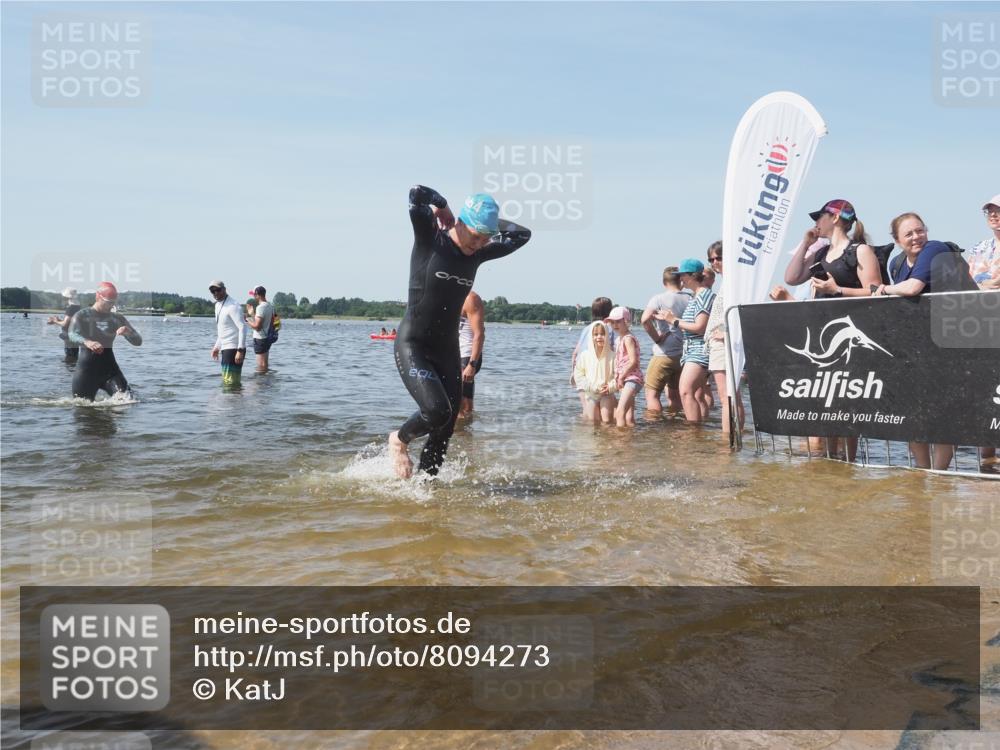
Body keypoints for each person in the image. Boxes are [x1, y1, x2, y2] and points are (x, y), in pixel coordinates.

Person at [389, 187, 531, 479]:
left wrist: (490, 223)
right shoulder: (431, 240)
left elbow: (522, 234)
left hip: (446, 350)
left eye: (485, 238)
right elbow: (416, 195)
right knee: (437, 411)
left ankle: (427, 490)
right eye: (476, 234)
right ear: (460, 222)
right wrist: (441, 205)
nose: (479, 244)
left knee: (447, 426)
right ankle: (399, 440)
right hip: (413, 343)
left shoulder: (477, 254)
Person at [873, 213, 955, 470]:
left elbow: (912, 288)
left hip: (949, 345)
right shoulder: (896, 263)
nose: (916, 237)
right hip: (915, 348)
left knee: (942, 413)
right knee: (913, 412)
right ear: (897, 240)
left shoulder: (934, 248)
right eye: (908, 234)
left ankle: (939, 474)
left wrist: (883, 289)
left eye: (920, 230)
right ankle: (922, 471)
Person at [776, 199, 881, 301]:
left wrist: (838, 290)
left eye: (820, 216)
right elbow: (791, 279)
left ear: (835, 217)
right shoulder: (821, 253)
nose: (816, 222)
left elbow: (876, 291)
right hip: (823, 317)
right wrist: (805, 245)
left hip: (850, 317)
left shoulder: (860, 250)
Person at [656, 259, 714, 423]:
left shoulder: (704, 295)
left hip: (699, 350)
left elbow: (700, 327)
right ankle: (700, 432)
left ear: (691, 276)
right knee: (696, 394)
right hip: (692, 350)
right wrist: (670, 320)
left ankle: (693, 432)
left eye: (682, 275)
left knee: (686, 391)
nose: (680, 279)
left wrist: (673, 320)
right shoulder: (697, 296)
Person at [67, 282, 142, 400]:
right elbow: (72, 334)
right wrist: (87, 342)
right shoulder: (82, 315)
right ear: (98, 297)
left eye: (113, 303)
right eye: (108, 302)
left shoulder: (117, 318)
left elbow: (138, 342)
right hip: (86, 372)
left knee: (128, 400)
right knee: (83, 410)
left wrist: (129, 333)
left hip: (110, 370)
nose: (111, 306)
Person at [641, 267, 691, 417]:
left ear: (664, 282)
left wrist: (656, 338)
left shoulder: (658, 299)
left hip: (664, 354)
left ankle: (655, 428)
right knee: (675, 396)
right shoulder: (691, 297)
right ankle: (676, 425)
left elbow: (644, 320)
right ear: (680, 280)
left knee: (652, 395)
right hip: (683, 356)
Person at [705, 287, 745, 435]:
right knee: (732, 396)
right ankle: (735, 440)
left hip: (724, 342)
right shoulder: (730, 279)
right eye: (711, 261)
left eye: (717, 261)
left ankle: (727, 443)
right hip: (723, 341)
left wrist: (728, 331)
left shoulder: (734, 277)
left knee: (727, 397)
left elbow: (742, 306)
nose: (714, 262)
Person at [570, 297, 616, 415]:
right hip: (595, 375)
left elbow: (575, 352)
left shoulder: (587, 328)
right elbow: (609, 350)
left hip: (582, 374)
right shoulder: (607, 328)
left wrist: (573, 373)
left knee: (587, 410)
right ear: (609, 311)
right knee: (604, 411)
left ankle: (586, 432)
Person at [605, 306, 643, 427]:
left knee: (620, 412)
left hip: (631, 379)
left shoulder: (628, 339)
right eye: (612, 322)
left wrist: (621, 377)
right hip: (626, 379)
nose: (614, 325)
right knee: (628, 416)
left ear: (626, 321)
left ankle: (620, 441)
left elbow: (633, 361)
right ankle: (629, 440)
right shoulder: (618, 339)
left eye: (618, 322)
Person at [573, 321, 617, 424]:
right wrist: (590, 386)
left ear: (607, 335)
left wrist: (611, 386)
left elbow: (618, 375)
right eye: (596, 334)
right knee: (593, 422)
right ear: (591, 336)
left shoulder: (613, 356)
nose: (599, 337)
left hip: (607, 393)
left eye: (602, 334)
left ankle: (607, 439)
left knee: (606, 421)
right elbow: (578, 375)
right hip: (591, 393)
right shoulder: (585, 355)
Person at [209, 280, 247, 387]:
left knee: (231, 383)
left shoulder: (233, 306)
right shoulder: (217, 306)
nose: (215, 293)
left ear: (224, 289)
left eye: (218, 290)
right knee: (227, 381)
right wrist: (217, 346)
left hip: (234, 348)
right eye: (213, 291)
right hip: (225, 347)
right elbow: (223, 329)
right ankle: (231, 403)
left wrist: (240, 350)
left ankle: (234, 402)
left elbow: (243, 327)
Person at [458, 289, 485, 419]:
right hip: (454, 354)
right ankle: (466, 436)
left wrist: (472, 364)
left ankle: (459, 434)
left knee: (457, 404)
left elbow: (479, 334)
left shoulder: (470, 298)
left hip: (468, 356)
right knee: (466, 403)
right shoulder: (447, 296)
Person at [969, 194, 1000, 290]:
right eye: (990, 211)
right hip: (981, 302)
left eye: (998, 210)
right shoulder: (979, 248)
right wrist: (984, 284)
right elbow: (970, 279)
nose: (993, 214)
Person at [47, 287, 82, 363]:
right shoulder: (77, 306)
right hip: (75, 335)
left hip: (69, 336)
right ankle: (71, 371)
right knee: (74, 356)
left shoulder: (71, 308)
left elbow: (65, 323)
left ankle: (69, 372)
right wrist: (58, 320)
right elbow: (71, 322)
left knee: (70, 357)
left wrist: (55, 321)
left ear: (67, 297)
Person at [244, 285, 275, 373]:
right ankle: (265, 383)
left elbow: (257, 327)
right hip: (267, 338)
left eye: (254, 295)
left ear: (258, 294)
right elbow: (263, 323)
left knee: (261, 365)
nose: (253, 297)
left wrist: (247, 320)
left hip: (260, 339)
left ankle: (261, 384)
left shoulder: (260, 307)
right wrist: (252, 314)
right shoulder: (270, 306)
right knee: (264, 363)